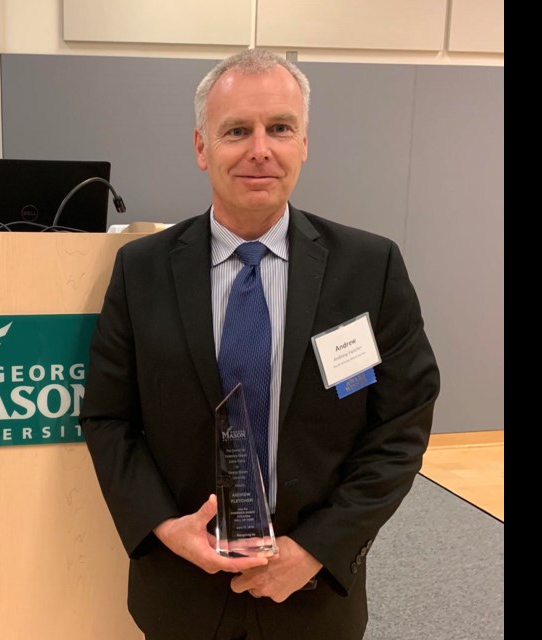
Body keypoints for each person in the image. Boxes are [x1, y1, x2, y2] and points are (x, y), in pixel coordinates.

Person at [79, 49, 440, 640]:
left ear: (304, 143)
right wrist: (166, 528)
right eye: (236, 131)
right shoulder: (140, 271)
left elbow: (401, 425)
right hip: (181, 590)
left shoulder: (369, 269)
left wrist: (318, 548)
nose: (259, 149)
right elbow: (107, 418)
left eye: (280, 128)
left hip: (314, 592)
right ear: (201, 147)